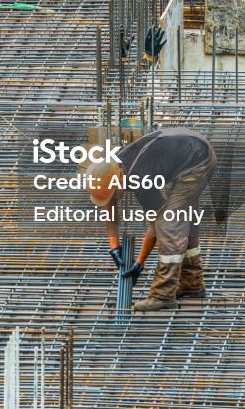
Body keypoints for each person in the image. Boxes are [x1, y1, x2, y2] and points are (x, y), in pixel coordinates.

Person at [87, 126, 217, 313]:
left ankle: (163, 295)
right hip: (184, 151)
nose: (114, 198)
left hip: (198, 161)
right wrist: (113, 246)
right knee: (183, 218)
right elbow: (110, 203)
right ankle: (192, 283)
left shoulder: (140, 179)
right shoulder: (113, 166)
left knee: (169, 224)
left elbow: (157, 223)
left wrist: (139, 262)